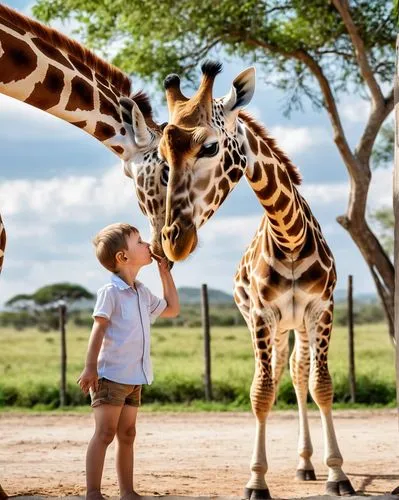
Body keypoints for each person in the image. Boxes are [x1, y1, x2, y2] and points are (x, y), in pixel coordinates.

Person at [77, 223, 179, 500]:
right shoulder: (110, 293)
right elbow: (98, 330)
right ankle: (93, 492)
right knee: (105, 432)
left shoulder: (142, 292)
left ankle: (127, 491)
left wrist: (164, 273)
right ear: (123, 257)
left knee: (128, 433)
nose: (148, 245)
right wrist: (90, 368)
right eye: (141, 242)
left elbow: (172, 309)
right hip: (110, 376)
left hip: (135, 377)